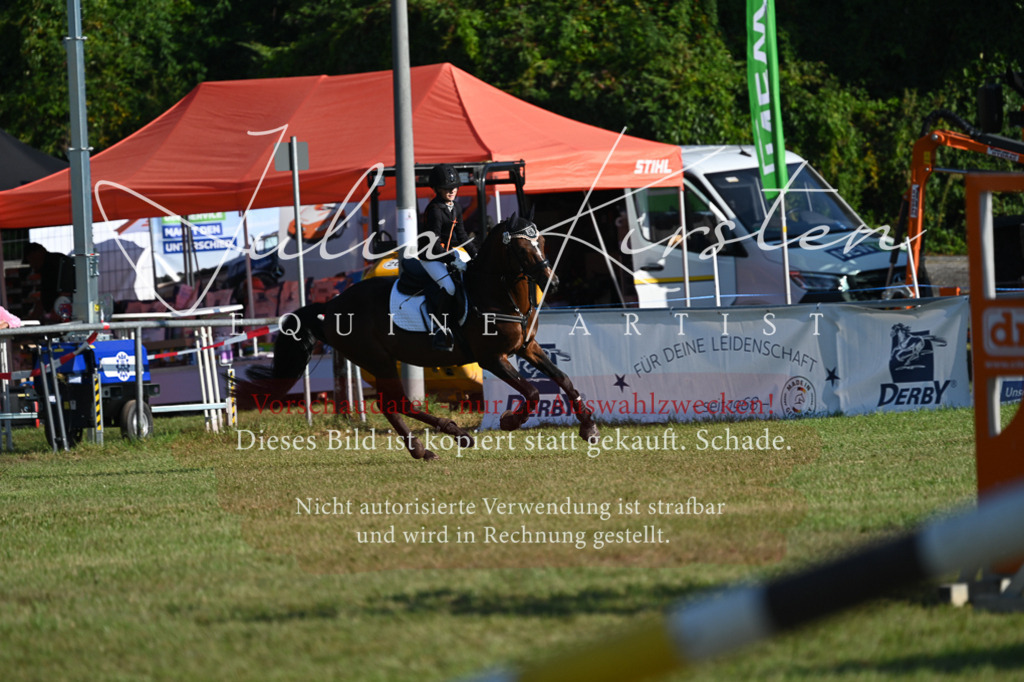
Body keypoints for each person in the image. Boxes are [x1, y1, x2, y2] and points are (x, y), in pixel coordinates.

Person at [419, 163, 478, 350]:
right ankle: (440, 328)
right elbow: (434, 246)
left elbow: (461, 235)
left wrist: (476, 255)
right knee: (450, 287)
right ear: (437, 189)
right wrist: (452, 259)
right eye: (446, 188)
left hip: (448, 252)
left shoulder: (456, 207)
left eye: (454, 187)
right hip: (430, 256)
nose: (452, 191)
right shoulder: (435, 210)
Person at [24, 243, 75, 322]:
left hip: (62, 311)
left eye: (30, 260)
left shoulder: (52, 264)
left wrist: (57, 310)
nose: (31, 265)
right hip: (60, 309)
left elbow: (65, 288)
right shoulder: (49, 263)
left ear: (37, 254)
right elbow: (45, 295)